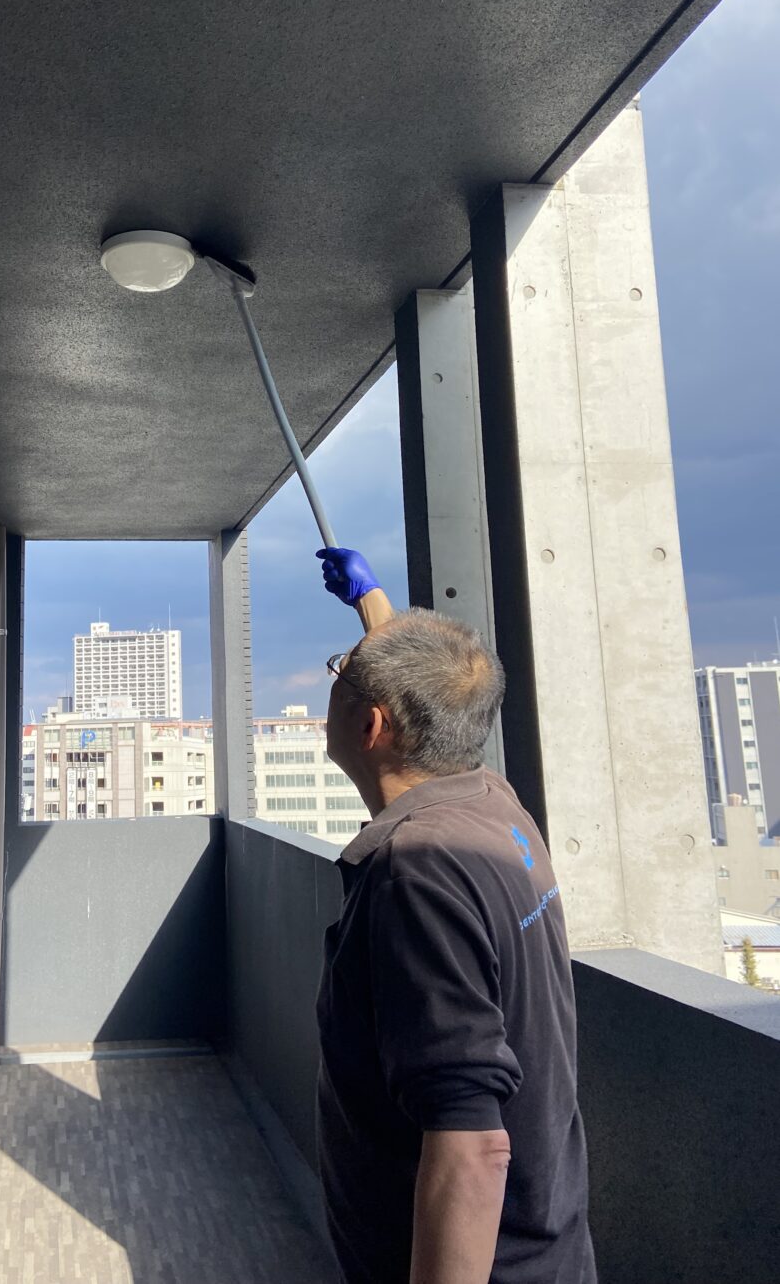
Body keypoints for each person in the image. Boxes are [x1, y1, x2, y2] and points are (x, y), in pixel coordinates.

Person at [314, 546, 596, 1284]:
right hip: (548, 1247)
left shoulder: (415, 872)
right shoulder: (492, 803)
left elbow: (472, 1147)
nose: (332, 684)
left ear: (370, 726)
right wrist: (371, 601)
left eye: (339, 674)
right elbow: (430, 695)